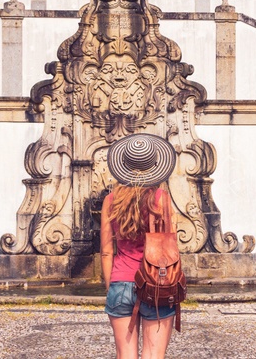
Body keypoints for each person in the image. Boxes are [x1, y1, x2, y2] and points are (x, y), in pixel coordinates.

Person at [101, 133, 177, 359]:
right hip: (156, 283)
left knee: (125, 356)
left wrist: (112, 287)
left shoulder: (110, 200)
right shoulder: (161, 199)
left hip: (120, 283)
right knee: (153, 355)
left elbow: (106, 251)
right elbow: (170, 247)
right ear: (154, 166)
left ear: (123, 165)